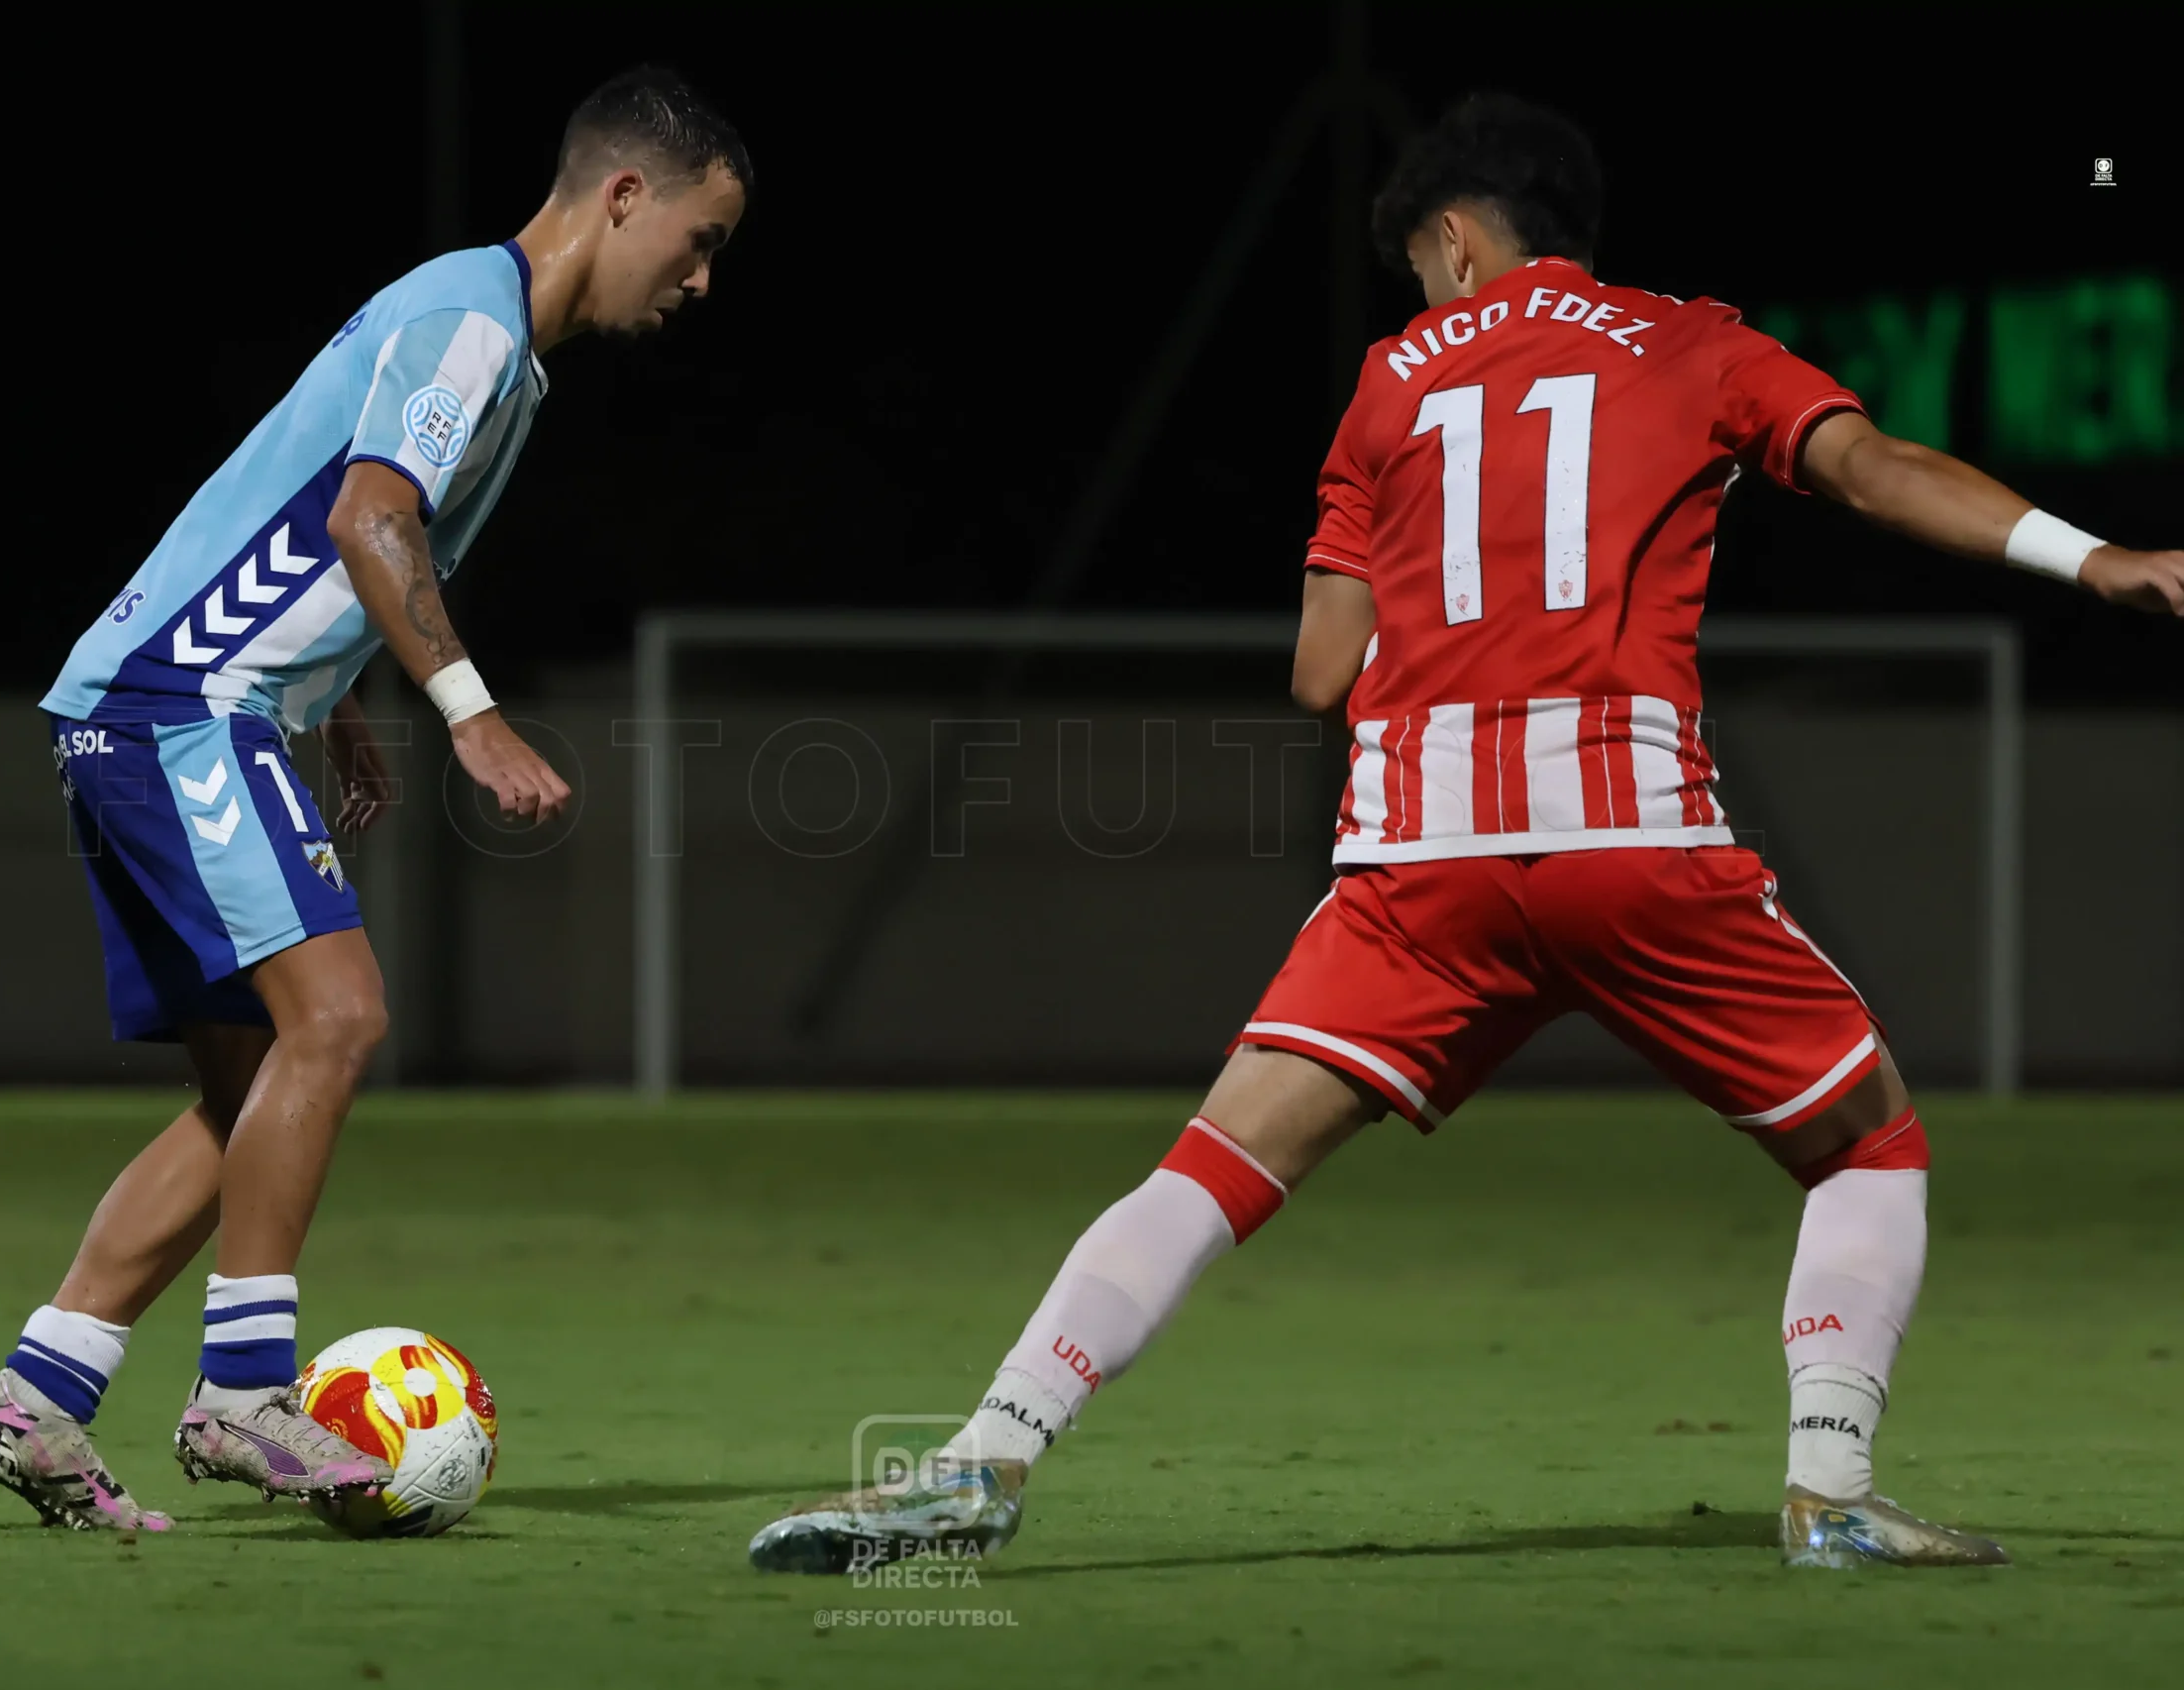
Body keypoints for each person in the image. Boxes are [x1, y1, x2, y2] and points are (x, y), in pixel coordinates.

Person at [751, 93, 2184, 1574]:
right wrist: (2101, 559)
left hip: (1415, 860)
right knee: (1869, 1140)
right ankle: (1830, 1488)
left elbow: (1320, 673)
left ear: (1453, 237)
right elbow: (1868, 467)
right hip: (1629, 839)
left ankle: (983, 1459)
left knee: (1213, 1164)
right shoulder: (1693, 341)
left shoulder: (1386, 384)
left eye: (1423, 263)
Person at [0, 66, 751, 1532]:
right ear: (623, 194)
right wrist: (472, 714)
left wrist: (348, 700)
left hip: (152, 706)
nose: (701, 279)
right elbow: (368, 513)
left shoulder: (484, 332)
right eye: (698, 239)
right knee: (341, 1017)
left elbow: (332, 529)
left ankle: (39, 1398)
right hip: (184, 709)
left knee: (251, 1086)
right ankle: (246, 1394)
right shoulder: (474, 323)